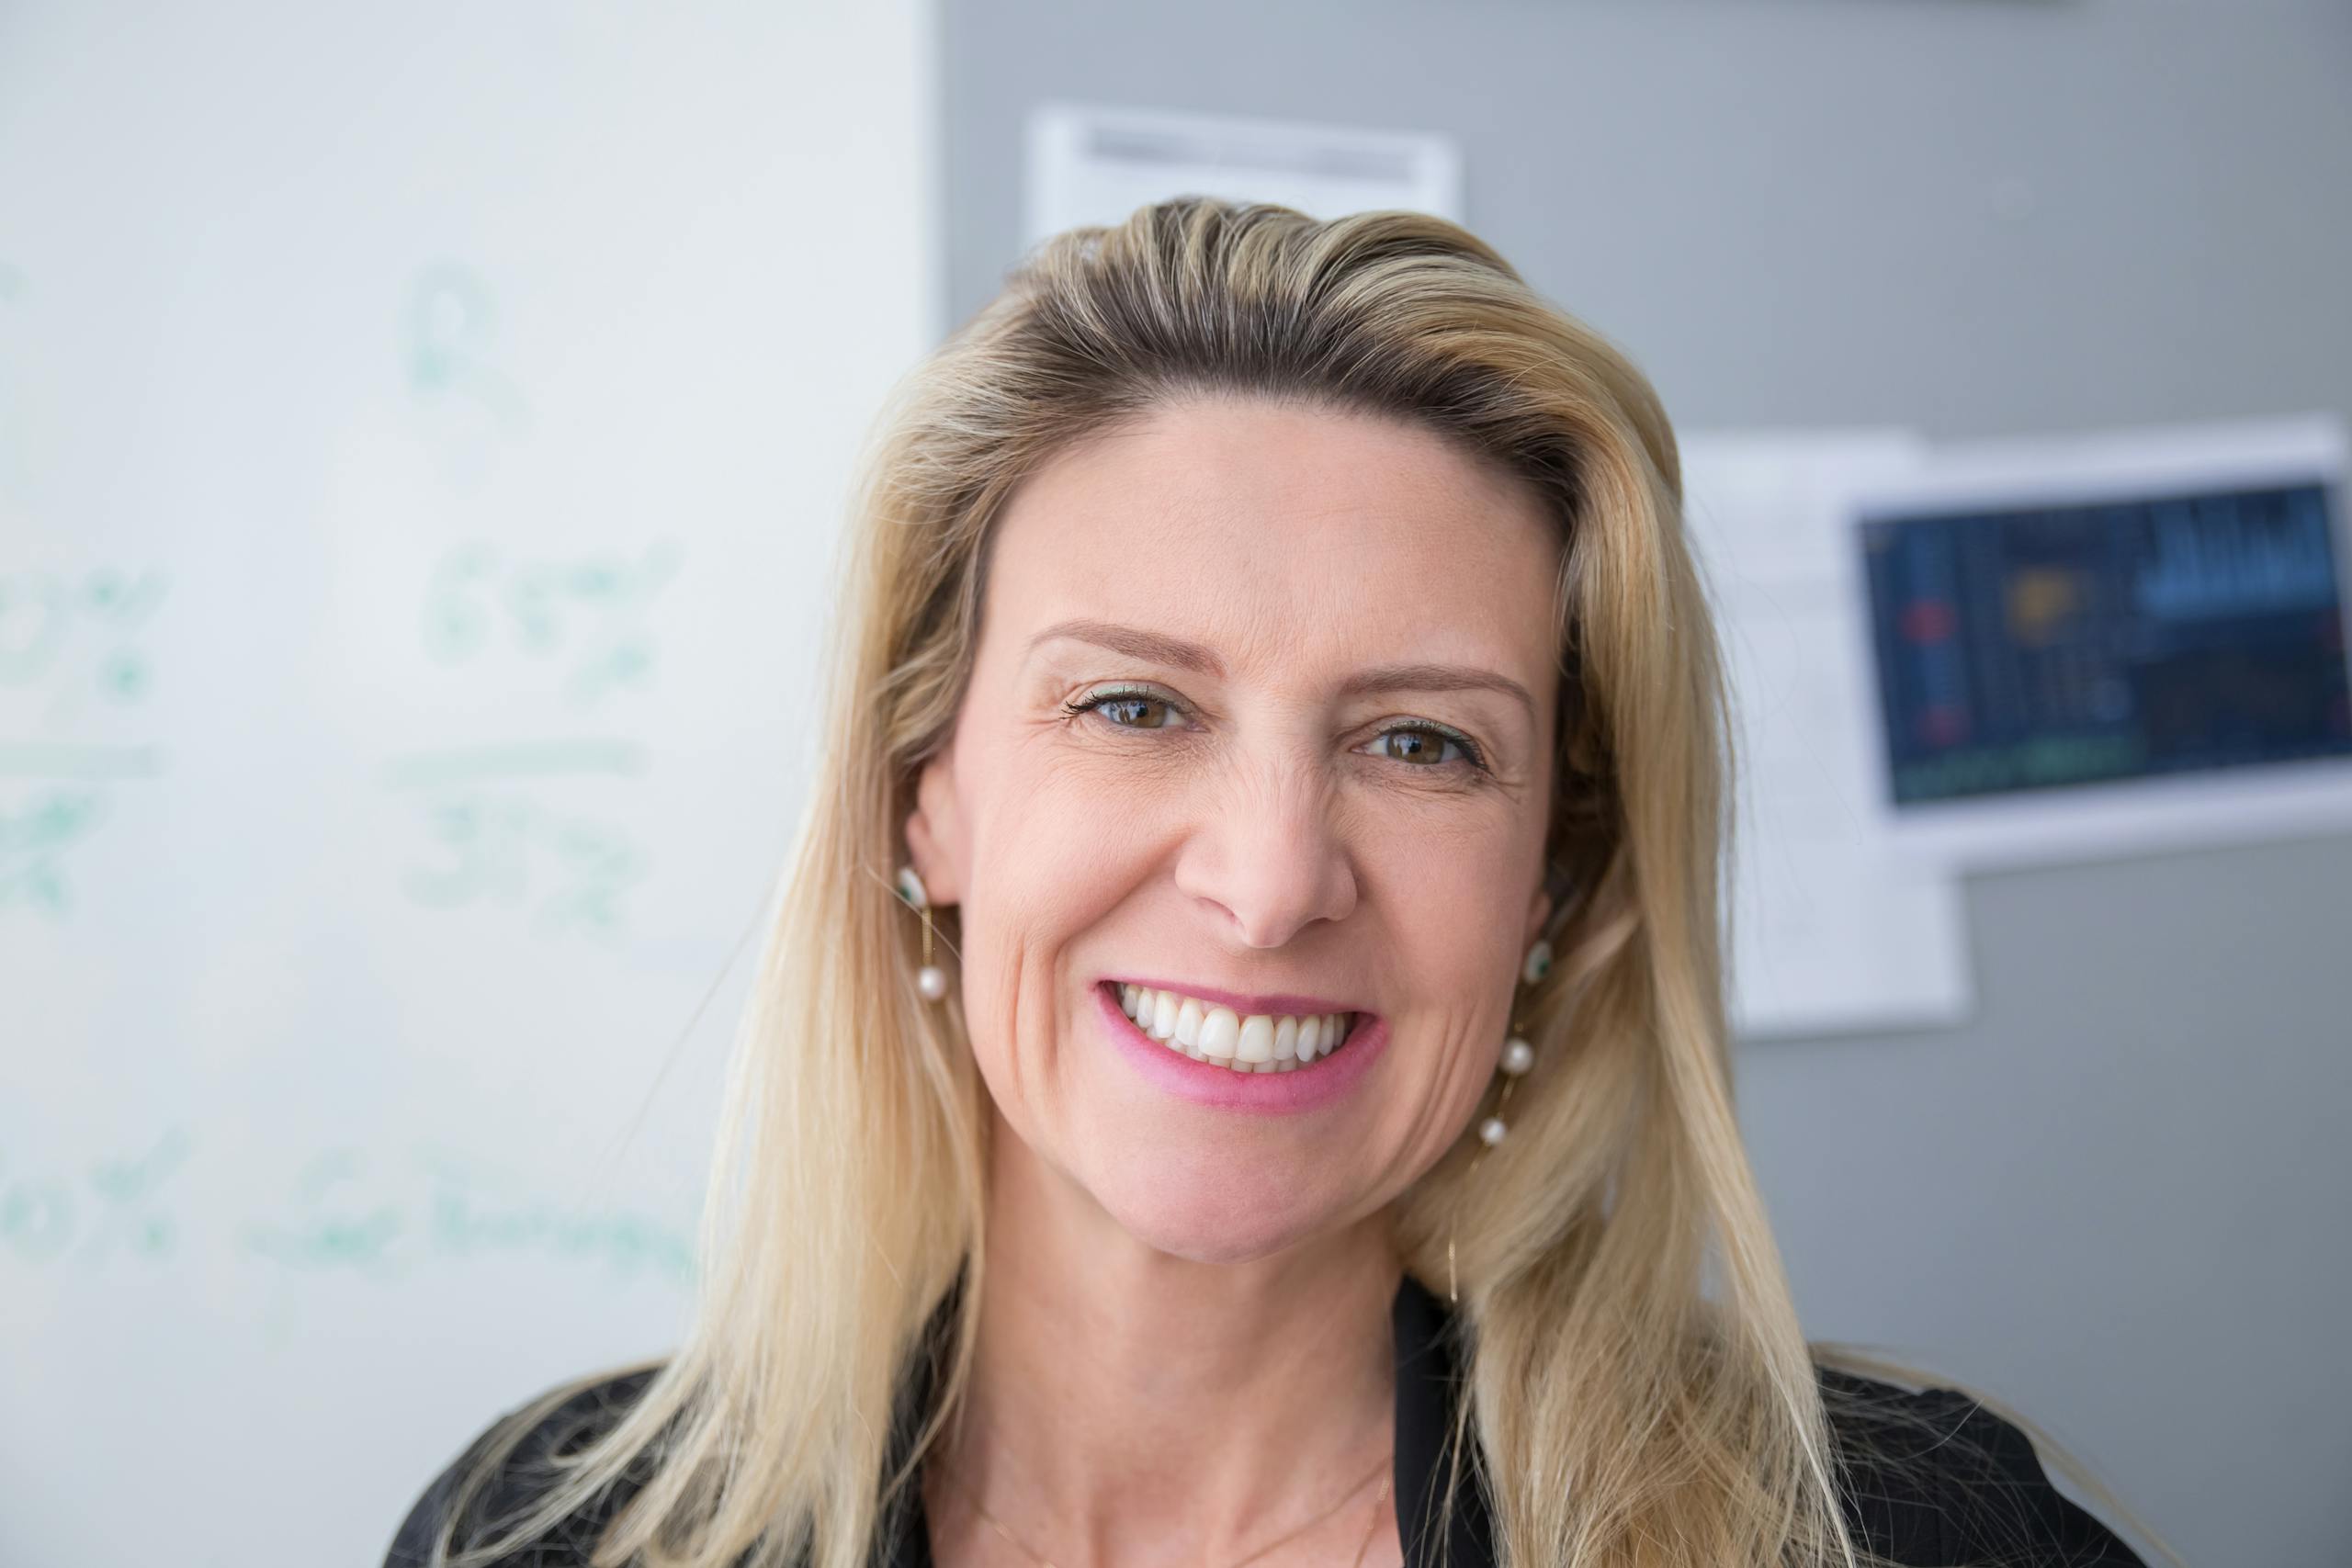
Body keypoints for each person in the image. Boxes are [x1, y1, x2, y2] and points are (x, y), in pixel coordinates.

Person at [387, 197, 2168, 1568]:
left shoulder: (1889, 1535)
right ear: (921, 800)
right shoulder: (540, 1531)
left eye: (1418, 743)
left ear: (1555, 878)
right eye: (1132, 703)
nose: (1264, 881)